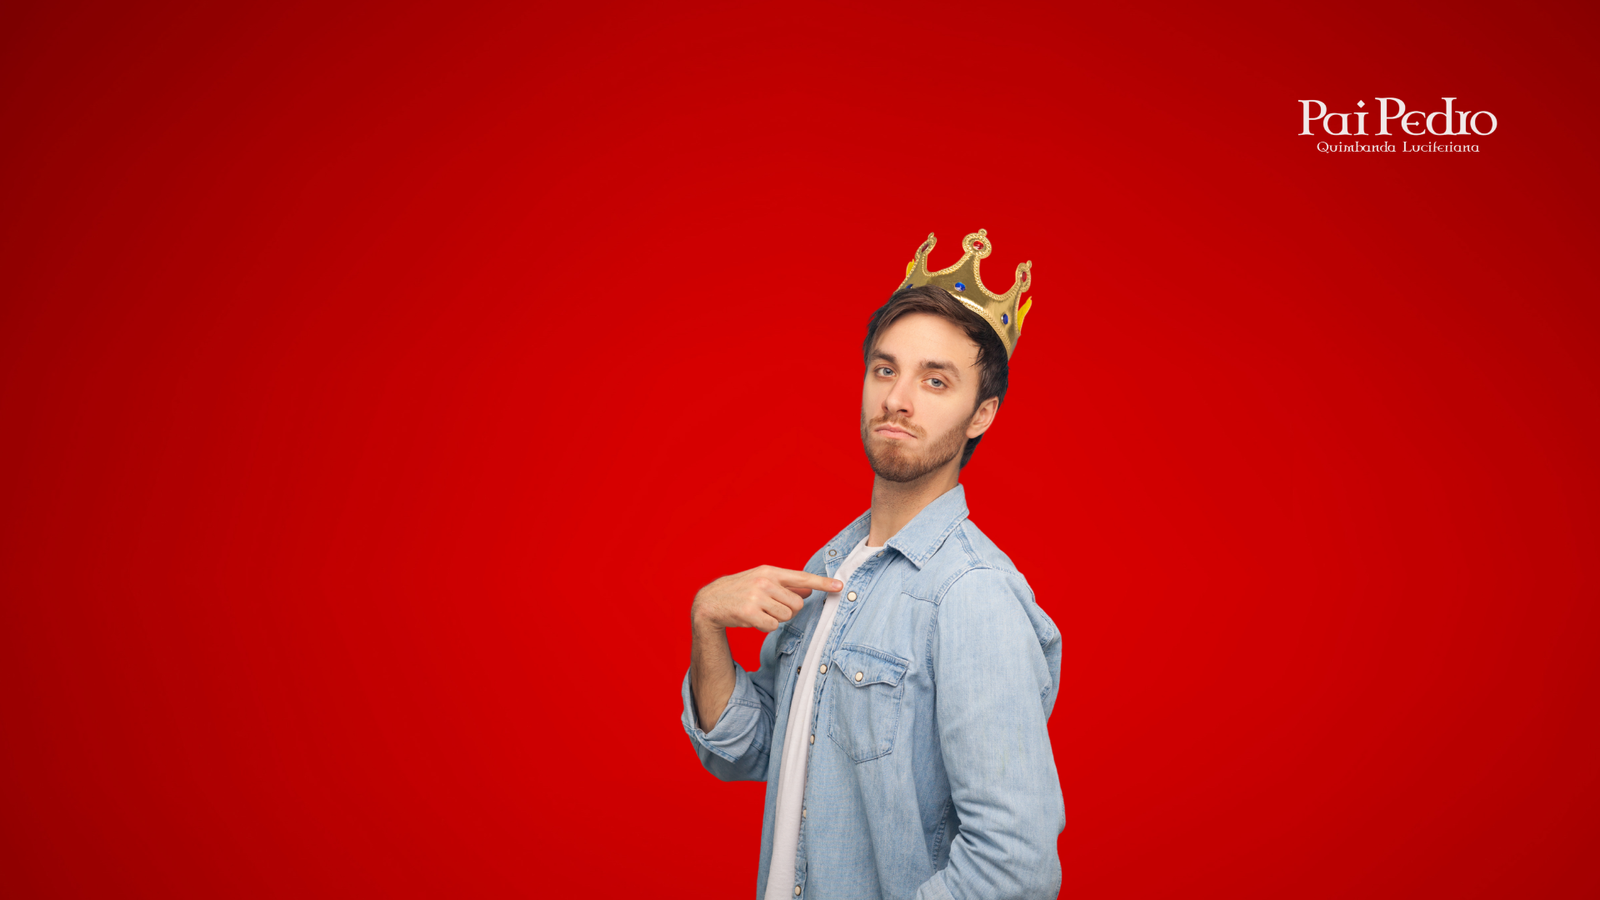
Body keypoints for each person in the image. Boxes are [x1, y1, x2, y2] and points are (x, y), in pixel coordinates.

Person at [681, 229, 1064, 900]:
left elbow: (1015, 866)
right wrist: (706, 620)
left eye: (935, 380)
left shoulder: (972, 595)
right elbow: (749, 749)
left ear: (981, 415)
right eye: (885, 370)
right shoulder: (834, 565)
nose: (897, 400)